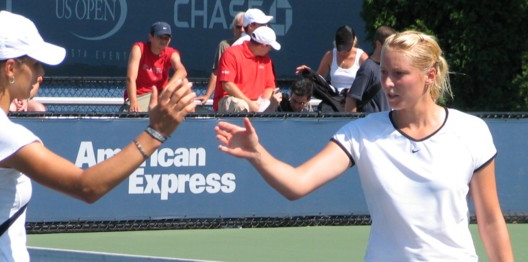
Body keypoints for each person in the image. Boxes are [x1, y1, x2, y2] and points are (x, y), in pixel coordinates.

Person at [214, 30, 514, 261]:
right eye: (384, 72)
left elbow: (490, 220)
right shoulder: (361, 133)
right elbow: (297, 184)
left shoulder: (471, 131)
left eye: (399, 74)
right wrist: (257, 154)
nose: (388, 83)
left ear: (429, 76)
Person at [0, 11, 195, 261]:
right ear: (10, 68)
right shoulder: (3, 135)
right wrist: (156, 133)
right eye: (34, 64)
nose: (41, 73)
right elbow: (87, 186)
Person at [122, 21, 187, 112]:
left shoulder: (172, 53)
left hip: (161, 96)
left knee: (184, 82)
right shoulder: (139, 49)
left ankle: (190, 116)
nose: (163, 41)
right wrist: (133, 102)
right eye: (160, 37)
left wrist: (168, 89)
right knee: (129, 116)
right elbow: (130, 78)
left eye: (167, 38)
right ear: (150, 37)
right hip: (140, 96)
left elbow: (182, 71)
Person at [212, 26, 281, 112]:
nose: (270, 49)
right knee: (241, 106)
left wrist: (264, 103)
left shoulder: (267, 60)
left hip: (256, 103)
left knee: (276, 100)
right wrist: (250, 104)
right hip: (229, 99)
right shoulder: (231, 54)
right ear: (262, 46)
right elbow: (227, 85)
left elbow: (270, 86)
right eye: (270, 47)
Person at [296, 25, 368, 94]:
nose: (343, 52)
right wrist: (309, 73)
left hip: (354, 97)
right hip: (335, 97)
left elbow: (370, 80)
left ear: (353, 43)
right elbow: (319, 78)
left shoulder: (362, 57)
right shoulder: (330, 55)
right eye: (340, 48)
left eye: (346, 49)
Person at [196, 11, 245, 106]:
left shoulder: (257, 48)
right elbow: (216, 72)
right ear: (233, 29)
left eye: (245, 27)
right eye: (238, 27)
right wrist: (207, 95)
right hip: (227, 99)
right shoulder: (224, 46)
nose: (242, 30)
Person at [344, 26, 396, 113]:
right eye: (390, 45)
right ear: (378, 44)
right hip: (371, 123)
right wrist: (353, 122)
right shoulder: (368, 68)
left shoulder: (388, 68)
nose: (394, 49)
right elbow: (351, 99)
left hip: (385, 122)